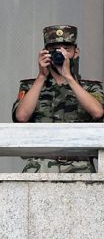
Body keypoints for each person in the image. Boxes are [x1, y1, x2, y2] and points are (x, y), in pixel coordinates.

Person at [13, 25, 104, 173]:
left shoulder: (89, 88)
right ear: (45, 53)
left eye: (66, 49)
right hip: (39, 166)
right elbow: (21, 116)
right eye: (55, 50)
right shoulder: (31, 86)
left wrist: (69, 77)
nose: (61, 54)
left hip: (80, 166)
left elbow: (98, 112)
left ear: (76, 52)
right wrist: (41, 76)